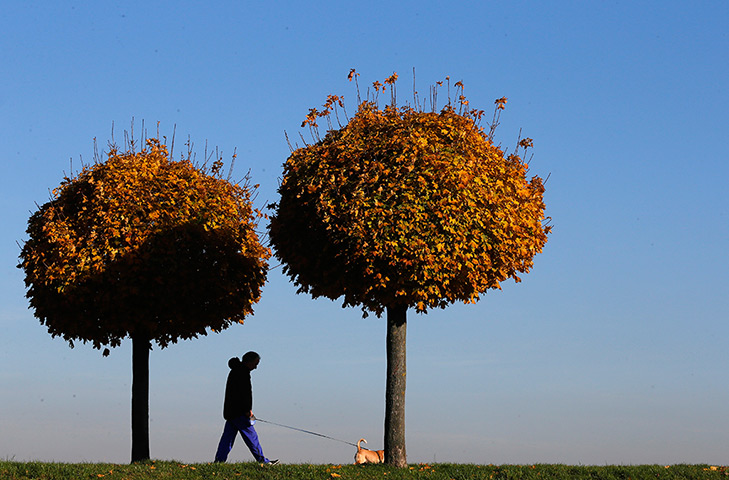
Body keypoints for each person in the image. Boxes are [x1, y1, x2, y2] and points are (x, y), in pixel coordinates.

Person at [214, 351, 278, 464]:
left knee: (227, 439)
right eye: (255, 363)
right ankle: (263, 461)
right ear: (249, 362)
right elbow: (245, 394)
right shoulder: (243, 373)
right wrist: (247, 411)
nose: (256, 367)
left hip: (230, 412)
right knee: (252, 437)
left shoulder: (235, 371)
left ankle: (219, 461)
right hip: (240, 413)